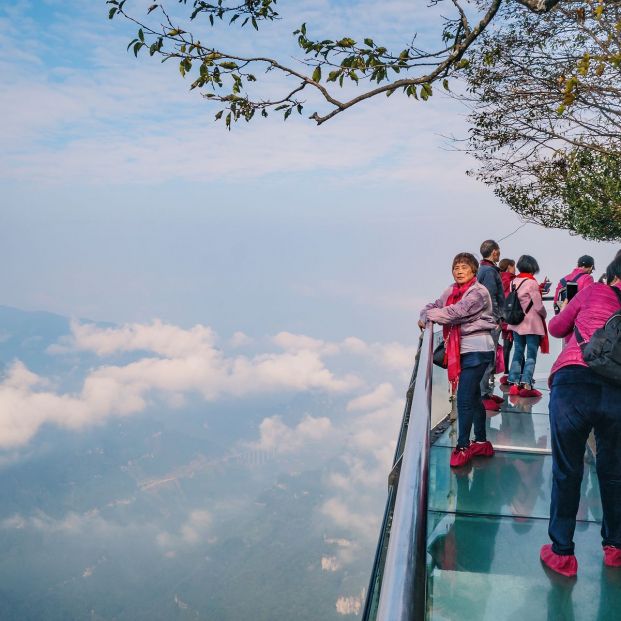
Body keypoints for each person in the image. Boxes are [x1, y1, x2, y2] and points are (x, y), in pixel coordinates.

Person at [540, 254, 621, 577]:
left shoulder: (591, 291)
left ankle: (562, 553)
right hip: (617, 388)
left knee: (567, 469)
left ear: (611, 273)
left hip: (574, 379)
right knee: (615, 470)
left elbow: (557, 327)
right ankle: (615, 547)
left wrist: (565, 312)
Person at [419, 252, 497, 468]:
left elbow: (454, 313)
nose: (459, 270)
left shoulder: (478, 292)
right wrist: (426, 314)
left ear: (473, 270)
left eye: (464, 267)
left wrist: (432, 314)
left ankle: (463, 447)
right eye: (456, 267)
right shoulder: (451, 291)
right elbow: (431, 306)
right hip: (461, 350)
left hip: (478, 350)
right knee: (473, 396)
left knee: (464, 397)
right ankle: (481, 441)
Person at [506, 254, 549, 398]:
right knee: (531, 355)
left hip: (517, 324)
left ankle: (513, 382)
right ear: (532, 267)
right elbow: (538, 306)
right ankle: (526, 382)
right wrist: (544, 314)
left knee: (518, 352)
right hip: (531, 324)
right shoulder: (531, 283)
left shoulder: (514, 281)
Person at [477, 240, 505, 410]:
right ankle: (483, 395)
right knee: (488, 357)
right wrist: (495, 319)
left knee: (490, 357)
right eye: (498, 251)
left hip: (488, 320)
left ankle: (486, 392)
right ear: (494, 252)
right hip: (490, 321)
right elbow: (489, 297)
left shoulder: (484, 269)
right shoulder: (488, 271)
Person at [499, 258, 516, 379]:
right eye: (514, 266)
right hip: (512, 314)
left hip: (501, 315)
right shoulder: (512, 279)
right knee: (520, 345)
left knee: (506, 345)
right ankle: (519, 373)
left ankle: (506, 372)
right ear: (509, 267)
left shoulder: (497, 278)